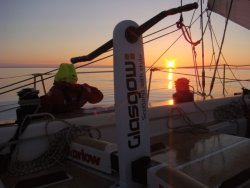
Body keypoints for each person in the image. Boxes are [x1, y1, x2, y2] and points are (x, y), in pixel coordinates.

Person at [39, 63, 103, 114]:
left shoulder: (55, 91)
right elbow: (99, 97)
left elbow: (44, 108)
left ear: (59, 75)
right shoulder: (84, 90)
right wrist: (87, 87)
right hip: (75, 120)